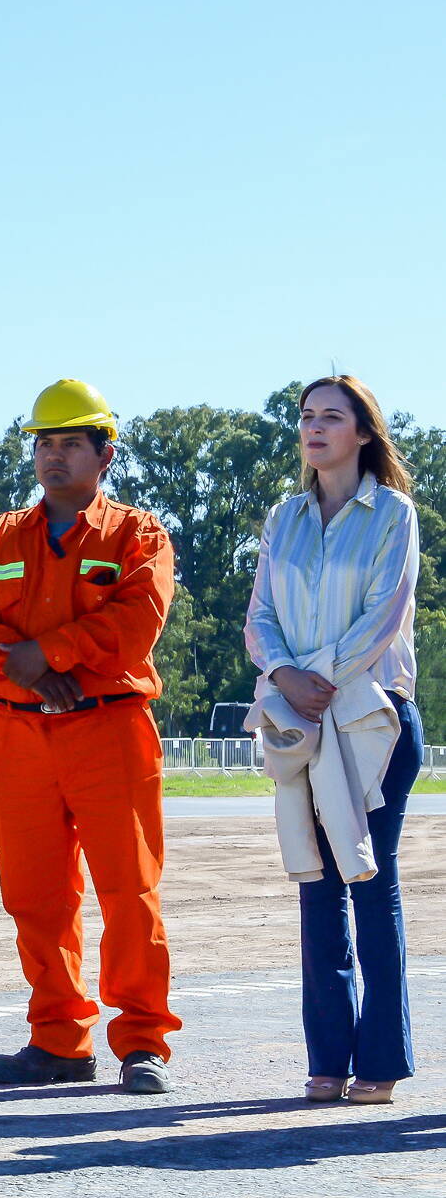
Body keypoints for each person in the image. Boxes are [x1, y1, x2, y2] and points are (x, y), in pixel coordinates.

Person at [0, 378, 180, 1094]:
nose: (54, 456)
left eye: (70, 442)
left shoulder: (137, 535)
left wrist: (47, 654)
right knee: (35, 898)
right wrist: (24, 667)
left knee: (127, 892)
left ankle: (141, 1041)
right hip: (18, 736)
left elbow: (137, 620)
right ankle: (58, 1041)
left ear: (104, 454)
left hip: (108, 730)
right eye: (44, 443)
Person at [245, 375, 423, 1105]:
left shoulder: (393, 514)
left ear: (362, 432)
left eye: (331, 417)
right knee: (314, 889)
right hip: (301, 720)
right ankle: (327, 1060)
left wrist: (311, 678)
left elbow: (384, 614)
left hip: (371, 719)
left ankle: (380, 1064)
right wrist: (284, 674)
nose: (315, 428)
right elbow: (260, 617)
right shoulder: (283, 518)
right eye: (306, 417)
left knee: (369, 884)